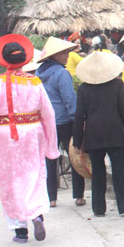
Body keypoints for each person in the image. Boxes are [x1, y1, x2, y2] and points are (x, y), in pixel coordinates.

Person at [0, 34, 58, 244]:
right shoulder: (35, 82)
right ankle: (36, 214)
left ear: (3, 60)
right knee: (34, 173)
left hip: (6, 134)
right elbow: (48, 113)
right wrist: (51, 143)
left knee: (9, 179)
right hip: (32, 131)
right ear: (24, 59)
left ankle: (20, 230)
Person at [73, 50, 124, 216]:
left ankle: (99, 208)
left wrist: (77, 141)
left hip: (94, 134)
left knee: (98, 172)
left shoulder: (84, 89)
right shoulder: (116, 85)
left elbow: (79, 115)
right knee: (121, 169)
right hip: (115, 132)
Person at [36, 37, 85, 208]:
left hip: (47, 121)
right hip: (64, 121)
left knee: (50, 158)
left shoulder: (39, 73)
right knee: (74, 156)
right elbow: (69, 99)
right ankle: (78, 195)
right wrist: (77, 119)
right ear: (54, 56)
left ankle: (51, 198)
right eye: (63, 53)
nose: (66, 56)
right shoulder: (61, 73)